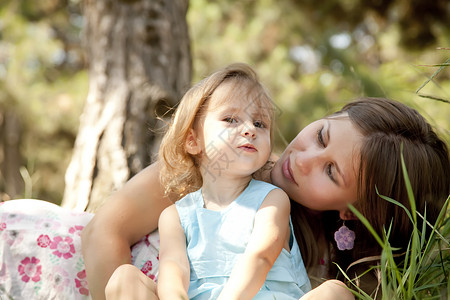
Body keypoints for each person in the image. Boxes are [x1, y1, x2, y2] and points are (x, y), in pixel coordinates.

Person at [82, 88, 449, 299]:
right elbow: (104, 230)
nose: (304, 159)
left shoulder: (352, 273)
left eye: (331, 172)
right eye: (321, 135)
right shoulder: (221, 160)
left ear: (352, 212)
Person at [155, 63, 310, 299]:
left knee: (335, 291)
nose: (249, 129)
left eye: (259, 123)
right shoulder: (176, 216)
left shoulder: (271, 200)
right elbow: (173, 271)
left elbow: (261, 257)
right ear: (192, 141)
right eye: (231, 119)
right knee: (124, 277)